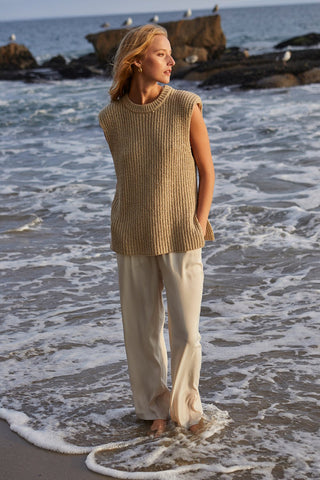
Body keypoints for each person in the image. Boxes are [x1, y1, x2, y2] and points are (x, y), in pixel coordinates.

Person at [99, 24, 215, 436]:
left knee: (186, 332)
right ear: (137, 60)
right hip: (131, 234)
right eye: (162, 54)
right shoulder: (111, 118)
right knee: (141, 333)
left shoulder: (186, 105)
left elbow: (207, 171)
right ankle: (155, 411)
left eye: (170, 54)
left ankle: (187, 411)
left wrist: (198, 224)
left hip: (182, 234)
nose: (172, 61)